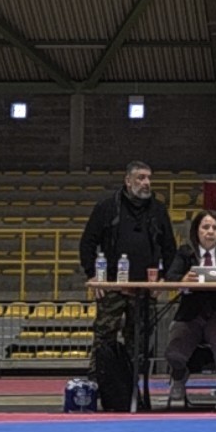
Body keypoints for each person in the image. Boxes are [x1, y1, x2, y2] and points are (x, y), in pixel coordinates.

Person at [80, 160, 177, 382]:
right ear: (128, 180)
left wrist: (164, 280)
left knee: (140, 340)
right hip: (111, 285)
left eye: (149, 178)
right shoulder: (106, 207)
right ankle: (98, 383)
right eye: (141, 178)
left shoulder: (158, 210)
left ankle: (135, 388)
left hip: (144, 287)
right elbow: (87, 243)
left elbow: (170, 248)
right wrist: (92, 275)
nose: (146, 183)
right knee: (104, 337)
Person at [163, 210, 216, 411]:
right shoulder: (185, 252)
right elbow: (170, 277)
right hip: (190, 316)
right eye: (205, 227)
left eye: (215, 228)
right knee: (174, 353)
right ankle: (178, 376)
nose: (210, 232)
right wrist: (183, 280)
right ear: (196, 231)